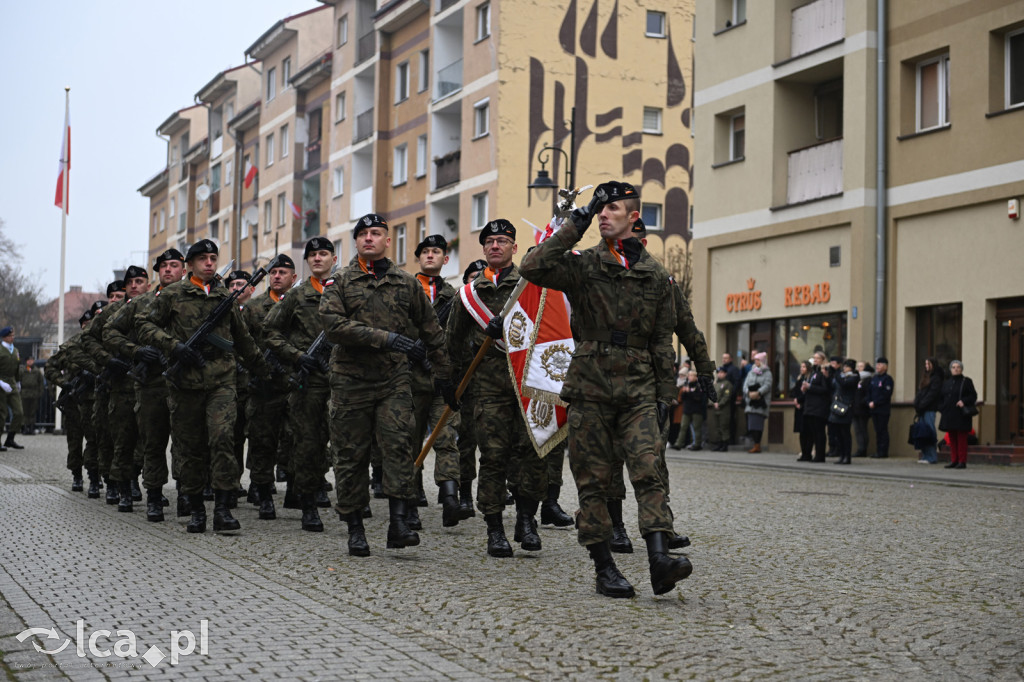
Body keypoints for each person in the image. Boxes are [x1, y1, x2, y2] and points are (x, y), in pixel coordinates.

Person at [520, 180, 692, 599]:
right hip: (591, 385)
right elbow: (532, 267)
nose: (604, 213)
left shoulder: (655, 274)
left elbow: (660, 339)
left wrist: (664, 394)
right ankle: (604, 567)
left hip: (637, 388)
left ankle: (658, 559)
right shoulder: (583, 263)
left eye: (612, 208)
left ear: (634, 217)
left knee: (649, 471)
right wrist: (575, 221)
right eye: (601, 208)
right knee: (593, 480)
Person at [321, 213, 456, 556]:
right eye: (363, 233)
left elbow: (431, 332)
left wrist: (445, 377)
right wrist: (387, 338)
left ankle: (399, 523)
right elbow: (333, 327)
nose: (369, 238)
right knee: (351, 455)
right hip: (351, 382)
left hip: (393, 381)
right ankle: (355, 527)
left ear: (386, 240)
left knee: (398, 447)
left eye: (376, 233)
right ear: (355, 241)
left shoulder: (405, 283)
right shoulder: (340, 282)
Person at [138, 239, 270, 534]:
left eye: (213, 258)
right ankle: (197, 509)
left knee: (223, 438)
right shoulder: (173, 295)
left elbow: (243, 339)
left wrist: (265, 372)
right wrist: (175, 347)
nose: (209, 263)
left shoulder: (225, 296)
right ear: (190, 265)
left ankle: (223, 509)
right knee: (191, 447)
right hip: (185, 383)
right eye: (203, 259)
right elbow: (145, 326)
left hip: (222, 381)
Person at [446, 218, 549, 558]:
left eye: (503, 241)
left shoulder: (531, 286)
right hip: (487, 389)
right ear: (483, 248)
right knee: (493, 457)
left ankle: (526, 519)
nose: (495, 246)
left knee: (532, 455)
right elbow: (454, 342)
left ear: (514, 248)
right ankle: (494, 529)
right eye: (490, 241)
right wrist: (450, 381)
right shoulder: (469, 293)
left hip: (527, 385)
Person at [265, 238, 340, 533]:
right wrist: (296, 357)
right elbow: (269, 330)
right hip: (309, 382)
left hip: (344, 379)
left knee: (347, 440)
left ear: (333, 258)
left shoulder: (344, 291)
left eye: (323, 254)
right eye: (312, 255)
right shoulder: (296, 297)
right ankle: (308, 504)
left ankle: (350, 501)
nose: (318, 258)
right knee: (308, 443)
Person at [107, 249, 186, 520]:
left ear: (184, 270)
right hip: (152, 382)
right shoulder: (141, 304)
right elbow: (109, 331)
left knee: (187, 443)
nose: (168, 270)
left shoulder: (197, 300)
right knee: (152, 442)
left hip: (187, 383)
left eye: (174, 265)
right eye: (163, 266)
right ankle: (153, 495)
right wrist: (135, 352)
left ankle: (187, 493)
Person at [407, 234, 478, 528]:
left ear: (445, 259)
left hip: (441, 380)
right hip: (409, 378)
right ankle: (408, 503)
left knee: (448, 437)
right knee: (408, 442)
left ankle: (450, 498)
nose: (431, 255)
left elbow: (459, 336)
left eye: (436, 251)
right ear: (418, 258)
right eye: (425, 251)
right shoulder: (405, 290)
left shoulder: (455, 295)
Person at [241, 254, 297, 521]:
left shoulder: (305, 305)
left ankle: (299, 491)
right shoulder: (253, 308)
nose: (277, 276)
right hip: (264, 385)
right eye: (273, 272)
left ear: (293, 278)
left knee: (300, 439)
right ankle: (264, 494)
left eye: (283, 272)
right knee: (263, 442)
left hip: (297, 383)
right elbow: (240, 344)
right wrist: (254, 369)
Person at [455, 258, 487, 519]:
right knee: (466, 442)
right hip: (465, 382)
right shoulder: (461, 304)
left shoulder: (495, 304)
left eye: (481, 276)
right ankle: (464, 493)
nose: (476, 281)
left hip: (492, 382)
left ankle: (492, 494)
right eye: (472, 276)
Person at [939, 360, 977, 469]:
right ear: (950, 370)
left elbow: (973, 396)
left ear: (961, 369)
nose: (956, 369)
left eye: (958, 367)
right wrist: (942, 408)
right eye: (953, 367)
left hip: (961, 415)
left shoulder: (966, 381)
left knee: (961, 439)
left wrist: (964, 401)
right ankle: (954, 460)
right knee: (952, 438)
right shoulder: (947, 383)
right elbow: (941, 397)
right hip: (949, 414)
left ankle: (962, 461)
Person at [799, 351, 830, 462]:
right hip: (809, 406)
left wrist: (810, 387)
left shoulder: (824, 372)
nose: (815, 360)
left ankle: (820, 455)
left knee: (819, 432)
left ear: (822, 359)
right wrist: (805, 389)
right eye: (814, 358)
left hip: (819, 407)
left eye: (817, 358)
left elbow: (825, 389)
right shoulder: (813, 372)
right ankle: (808, 454)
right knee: (811, 432)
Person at [912, 357, 944, 464]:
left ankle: (931, 456)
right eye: (925, 364)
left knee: (929, 432)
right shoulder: (925, 377)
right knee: (923, 433)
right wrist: (917, 403)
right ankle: (925, 455)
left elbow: (932, 395)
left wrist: (921, 404)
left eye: (928, 364)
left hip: (929, 409)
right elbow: (921, 393)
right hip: (922, 409)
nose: (927, 366)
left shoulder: (936, 378)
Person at [829, 359, 859, 465]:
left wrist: (836, 372)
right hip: (838, 406)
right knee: (838, 434)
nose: (844, 369)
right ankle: (842, 455)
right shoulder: (841, 376)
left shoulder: (854, 377)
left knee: (845, 433)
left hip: (847, 408)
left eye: (847, 367)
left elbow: (843, 384)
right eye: (844, 366)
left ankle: (847, 456)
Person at [742, 351, 772, 453]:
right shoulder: (751, 372)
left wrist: (758, 392)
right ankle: (755, 444)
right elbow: (745, 385)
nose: (756, 362)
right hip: (750, 402)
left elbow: (767, 385)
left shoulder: (767, 373)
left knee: (758, 425)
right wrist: (748, 392)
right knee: (751, 425)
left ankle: (757, 445)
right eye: (755, 360)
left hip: (760, 402)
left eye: (758, 360)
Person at [0, 326, 25, 451]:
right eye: (10, 336)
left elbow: (17, 367)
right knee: (2, 414)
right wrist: (1, 383)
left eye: (13, 335)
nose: (12, 337)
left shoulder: (15, 350)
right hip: (1, 384)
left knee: (19, 412)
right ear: (4, 337)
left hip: (12, 382)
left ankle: (10, 438)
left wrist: (18, 382)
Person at [673, 370, 707, 450]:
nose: (690, 377)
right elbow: (683, 398)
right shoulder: (687, 385)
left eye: (692, 375)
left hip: (696, 410)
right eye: (689, 376)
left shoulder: (699, 386)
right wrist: (684, 392)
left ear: (696, 377)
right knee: (683, 427)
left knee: (696, 428)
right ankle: (679, 443)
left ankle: (697, 444)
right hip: (687, 409)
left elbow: (699, 398)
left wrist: (690, 393)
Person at [867, 357, 894, 458]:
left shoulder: (887, 379)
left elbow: (886, 394)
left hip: (882, 409)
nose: (877, 366)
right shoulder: (874, 379)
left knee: (883, 430)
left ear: (885, 367)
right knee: (877, 431)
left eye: (880, 365)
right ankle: (878, 451)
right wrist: (869, 401)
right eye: (877, 364)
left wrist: (876, 402)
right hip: (874, 409)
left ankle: (883, 451)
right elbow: (869, 392)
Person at [706, 366, 733, 451]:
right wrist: (712, 402)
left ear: (725, 374)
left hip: (723, 409)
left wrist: (720, 403)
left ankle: (725, 444)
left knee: (723, 427)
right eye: (718, 373)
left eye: (721, 372)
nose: (719, 374)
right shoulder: (716, 384)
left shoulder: (727, 384)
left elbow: (726, 396)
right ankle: (719, 443)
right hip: (715, 409)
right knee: (717, 427)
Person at [852, 361, 873, 457]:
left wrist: (862, 402)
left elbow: (868, 393)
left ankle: (863, 449)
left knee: (862, 429)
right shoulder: (856, 379)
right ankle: (860, 448)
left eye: (861, 366)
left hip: (863, 409)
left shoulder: (868, 380)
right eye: (858, 366)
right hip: (855, 408)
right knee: (857, 430)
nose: (859, 368)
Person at [19, 357, 43, 435]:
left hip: (34, 393)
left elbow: (41, 383)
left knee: (32, 412)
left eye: (31, 360)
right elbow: (19, 381)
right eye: (28, 360)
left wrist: (39, 393)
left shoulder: (37, 371)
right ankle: (25, 428)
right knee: (25, 412)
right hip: (24, 393)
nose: (30, 362)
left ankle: (31, 428)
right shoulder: (22, 370)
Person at [791, 360, 811, 444]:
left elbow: (806, 393)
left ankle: (809, 449)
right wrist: (795, 399)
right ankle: (803, 450)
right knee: (801, 430)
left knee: (807, 430)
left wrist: (799, 400)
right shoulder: (800, 378)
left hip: (805, 405)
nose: (801, 369)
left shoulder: (809, 379)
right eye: (801, 367)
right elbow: (795, 390)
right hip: (798, 406)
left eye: (804, 367)